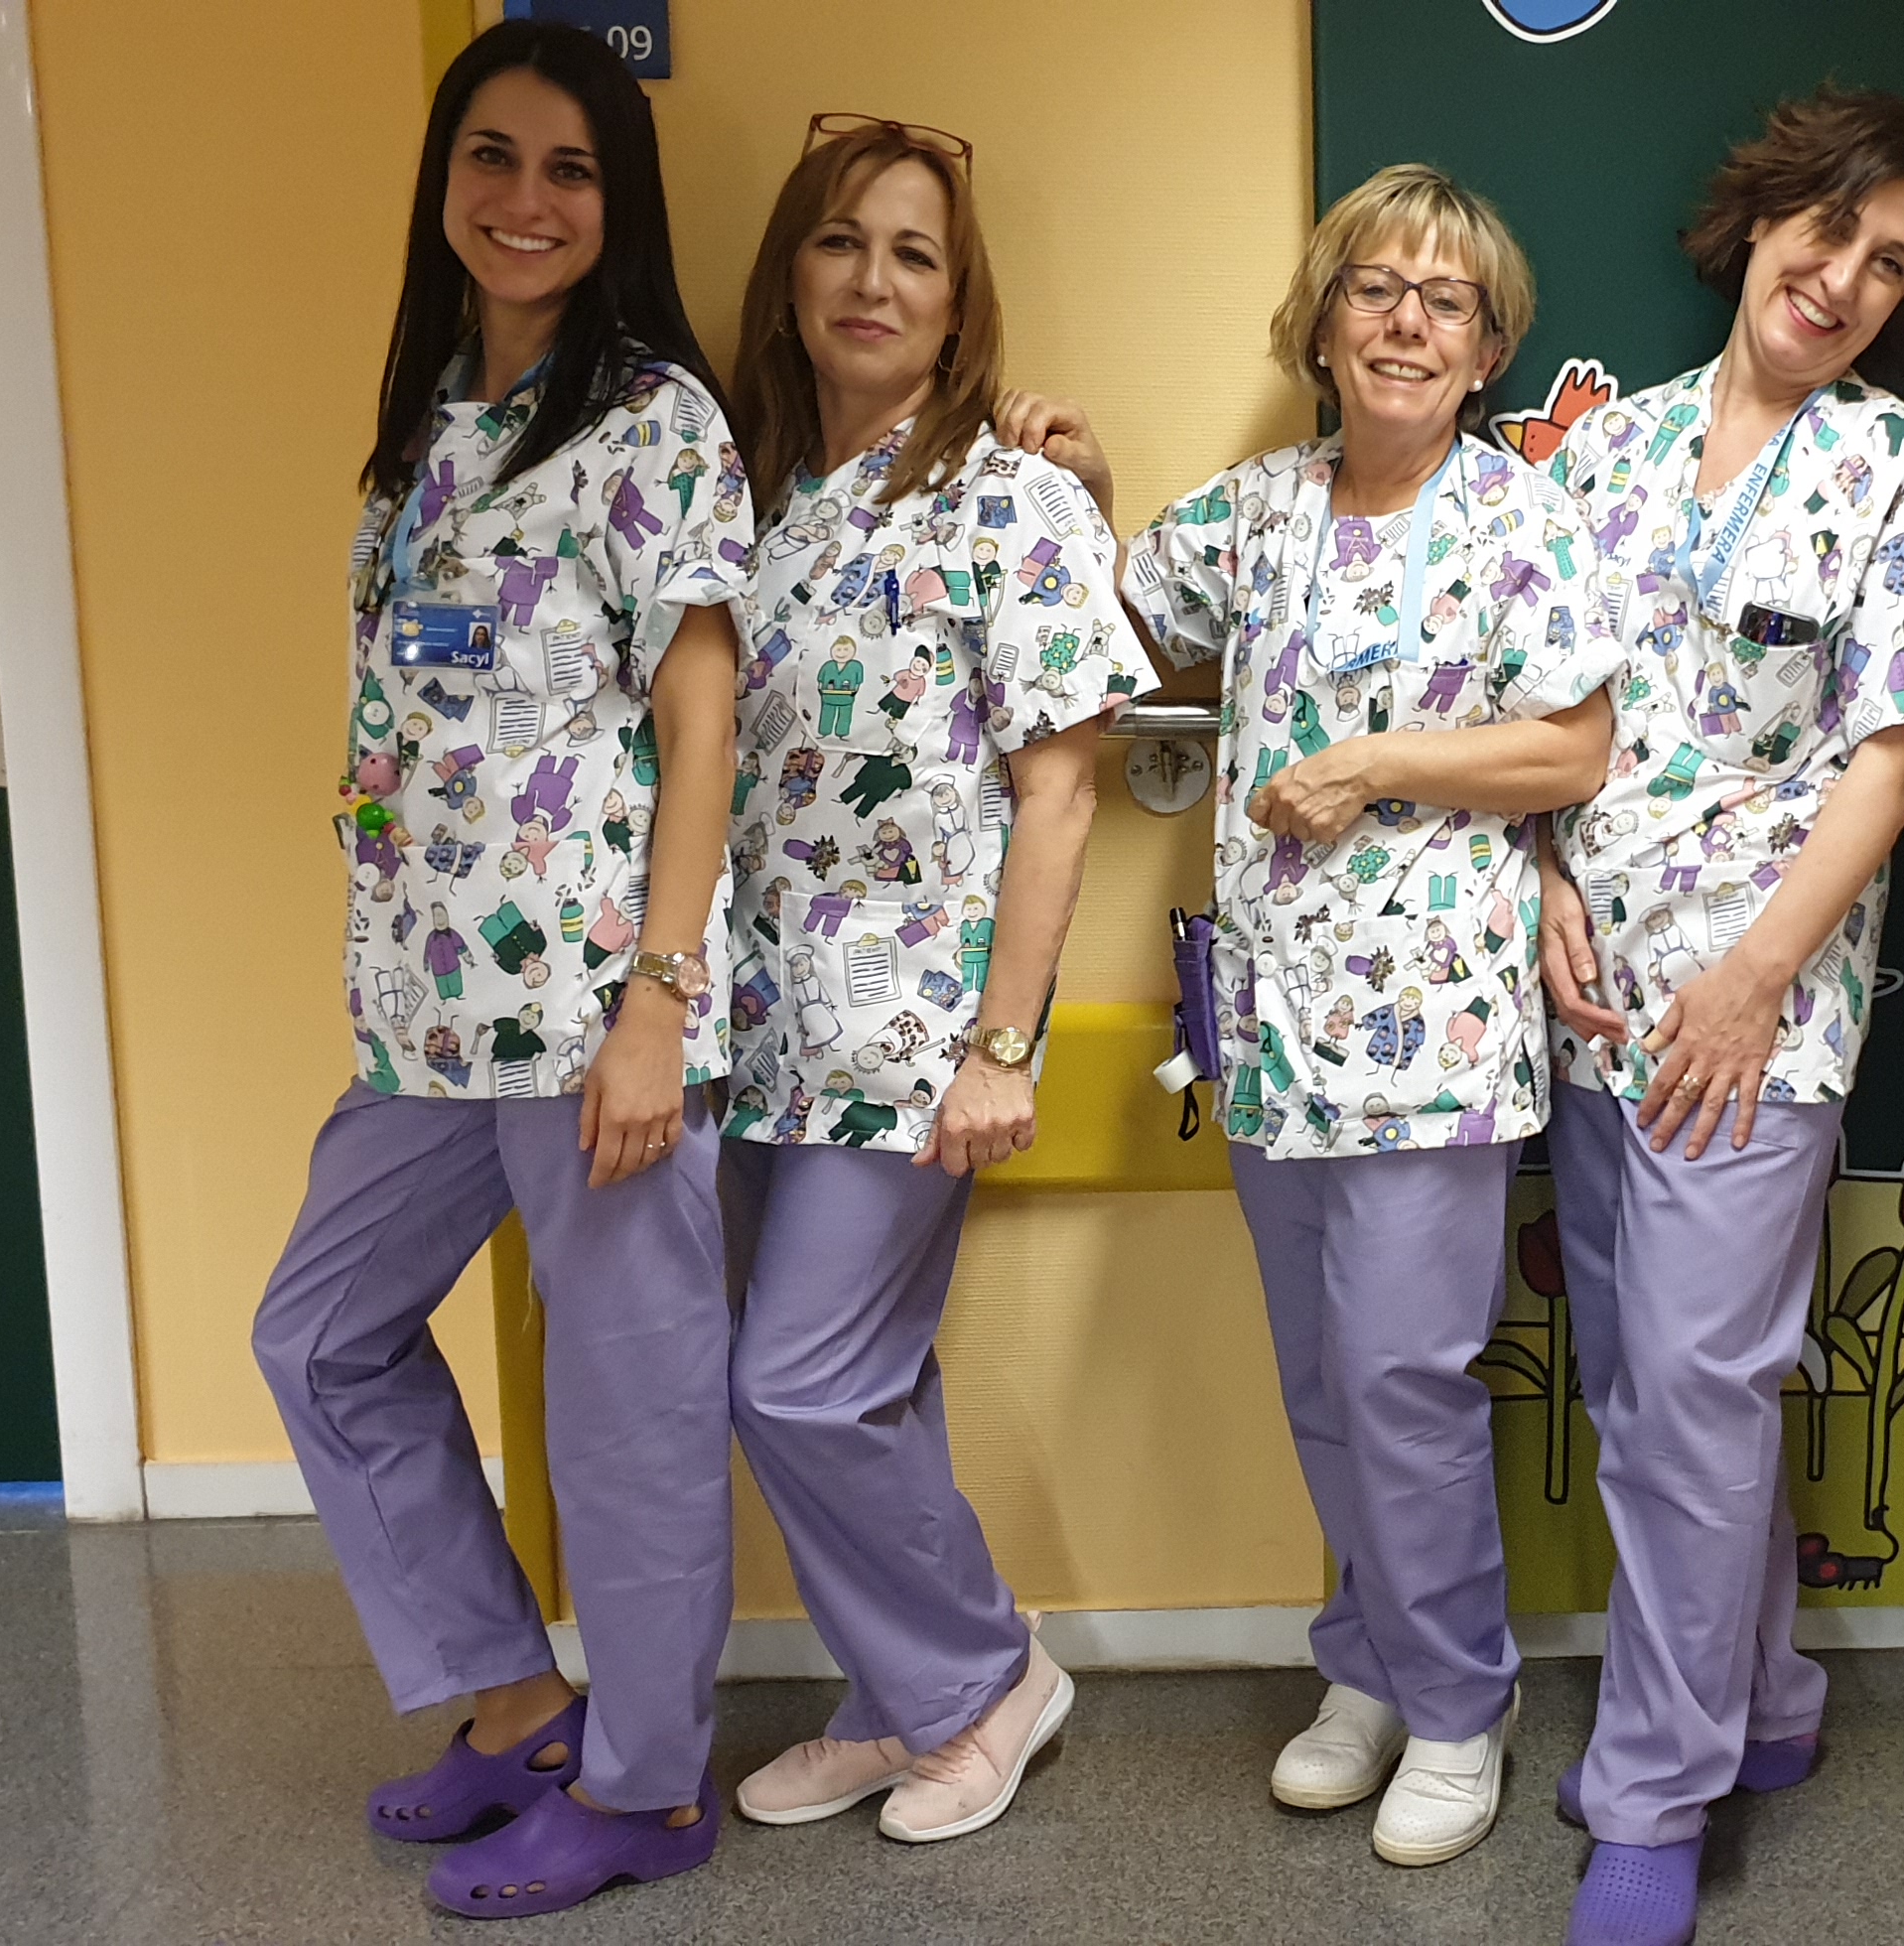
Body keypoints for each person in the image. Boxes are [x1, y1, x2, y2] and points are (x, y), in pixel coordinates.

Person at [247, 21, 750, 1920]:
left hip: (596, 1018)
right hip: (428, 1018)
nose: (525, 200)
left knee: (629, 1416)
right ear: (443, 177)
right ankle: (522, 1703)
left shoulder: (652, 422)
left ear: (620, 205)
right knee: (320, 1334)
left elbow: (700, 724)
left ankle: (648, 1788)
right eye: (493, 156)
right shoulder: (428, 421)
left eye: (570, 169)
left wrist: (659, 1004)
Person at [1121, 163, 1623, 1871]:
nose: (1409, 322)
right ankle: (1369, 1663)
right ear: (1324, 324)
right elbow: (1120, 627)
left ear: (1486, 351)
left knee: (1406, 1376)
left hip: (1436, 1035)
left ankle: (1460, 1700)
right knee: (1324, 1378)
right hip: (1271, 1024)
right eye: (1377, 290)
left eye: (1447, 302)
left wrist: (1374, 766)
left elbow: (1573, 747)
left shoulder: (1518, 520)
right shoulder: (1257, 511)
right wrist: (1078, 489)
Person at [1527, 86, 1904, 1946]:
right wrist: (1544, 874)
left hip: (1758, 1011)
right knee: (1653, 1391)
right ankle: (1767, 1698)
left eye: (1892, 265)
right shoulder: (1604, 454)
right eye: (1831, 231)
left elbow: (1898, 755)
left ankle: (1655, 1793)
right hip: (1592, 994)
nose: (1846, 279)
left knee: (1698, 1395)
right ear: (1763, 219)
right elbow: (1537, 710)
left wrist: (1757, 974)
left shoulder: (1899, 468)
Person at [706, 114, 1151, 1848]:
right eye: (841, 242)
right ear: (789, 276)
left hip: (911, 1037)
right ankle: (899, 1699)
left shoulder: (1006, 499)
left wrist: (1004, 1046)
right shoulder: (746, 499)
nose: (873, 281)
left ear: (961, 303)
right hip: (755, 1025)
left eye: (916, 255)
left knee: (797, 1383)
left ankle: (981, 1679)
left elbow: (1062, 790)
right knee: (863, 1386)